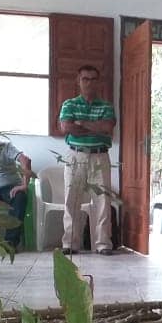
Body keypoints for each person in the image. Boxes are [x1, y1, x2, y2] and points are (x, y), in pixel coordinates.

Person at [58, 65, 116, 255]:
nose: (89, 83)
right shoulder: (69, 104)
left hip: (100, 156)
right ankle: (70, 243)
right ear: (78, 81)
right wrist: (94, 127)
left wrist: (82, 124)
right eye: (85, 79)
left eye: (93, 79)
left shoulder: (106, 106)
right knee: (71, 199)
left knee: (102, 201)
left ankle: (103, 244)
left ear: (98, 82)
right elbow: (66, 127)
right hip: (76, 156)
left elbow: (107, 127)